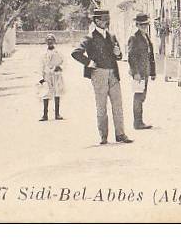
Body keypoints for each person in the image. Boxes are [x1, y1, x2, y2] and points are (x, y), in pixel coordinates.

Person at [71, 9, 133, 145]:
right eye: (105, 19)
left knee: (118, 105)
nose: (107, 22)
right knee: (101, 106)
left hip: (113, 74)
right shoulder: (89, 38)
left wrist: (118, 54)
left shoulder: (112, 36)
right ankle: (103, 136)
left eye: (108, 19)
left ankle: (120, 134)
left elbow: (119, 56)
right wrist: (89, 63)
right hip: (99, 74)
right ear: (97, 21)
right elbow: (76, 53)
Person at [127, 13, 157, 130]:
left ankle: (140, 121)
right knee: (138, 96)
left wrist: (153, 72)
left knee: (142, 96)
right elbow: (131, 56)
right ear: (137, 25)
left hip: (146, 70)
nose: (144, 27)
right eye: (142, 25)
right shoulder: (134, 38)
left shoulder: (146, 37)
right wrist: (135, 73)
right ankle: (137, 122)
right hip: (139, 73)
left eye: (146, 24)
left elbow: (150, 55)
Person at [39, 34, 64, 121]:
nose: (50, 41)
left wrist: (59, 67)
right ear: (46, 42)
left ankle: (57, 114)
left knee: (57, 92)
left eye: (51, 40)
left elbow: (64, 62)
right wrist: (41, 77)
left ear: (54, 41)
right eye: (48, 40)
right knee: (45, 93)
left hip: (56, 75)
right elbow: (41, 65)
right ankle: (45, 115)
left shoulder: (59, 53)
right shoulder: (43, 54)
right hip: (47, 75)